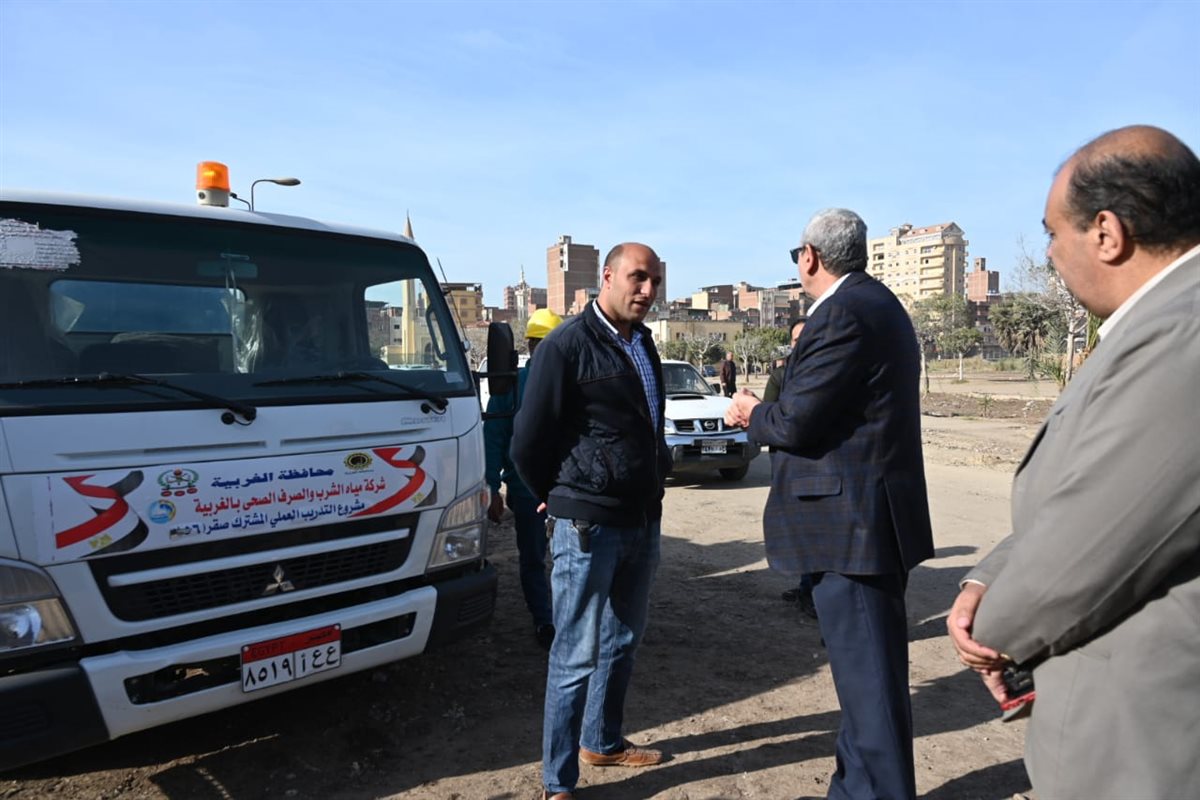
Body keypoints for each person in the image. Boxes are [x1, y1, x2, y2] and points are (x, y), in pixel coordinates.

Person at [947, 125, 1200, 799]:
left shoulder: (1185, 334)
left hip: (1146, 749)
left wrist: (990, 628)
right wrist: (988, 575)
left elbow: (1090, 544)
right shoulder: (1156, 325)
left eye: (1053, 233)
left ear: (1107, 233)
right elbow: (1089, 489)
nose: (1051, 254)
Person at [726, 208, 933, 800]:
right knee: (863, 682)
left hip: (853, 529)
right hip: (861, 523)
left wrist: (751, 411)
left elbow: (796, 421)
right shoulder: (873, 303)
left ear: (810, 257)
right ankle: (853, 788)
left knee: (871, 686)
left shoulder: (842, 313)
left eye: (797, 256)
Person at [511, 243, 671, 800]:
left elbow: (649, 426)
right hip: (586, 526)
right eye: (637, 277)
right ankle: (558, 782)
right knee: (575, 654)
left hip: (642, 519)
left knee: (623, 638)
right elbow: (527, 441)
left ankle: (601, 742)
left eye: (655, 281)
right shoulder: (566, 346)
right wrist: (555, 496)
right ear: (607, 276)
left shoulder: (643, 343)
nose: (647, 290)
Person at [484, 307, 563, 651]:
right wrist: (490, 487)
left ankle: (555, 620)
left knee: (554, 560)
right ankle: (545, 620)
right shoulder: (511, 387)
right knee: (537, 559)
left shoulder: (573, 384)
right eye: (543, 345)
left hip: (564, 492)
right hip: (530, 491)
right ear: (531, 347)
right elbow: (494, 438)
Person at [763, 317, 818, 621]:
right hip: (785, 460)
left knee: (813, 527)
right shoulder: (780, 375)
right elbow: (769, 416)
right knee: (796, 526)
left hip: (816, 463)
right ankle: (805, 586)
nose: (802, 344)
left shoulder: (826, 373)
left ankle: (811, 591)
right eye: (797, 339)